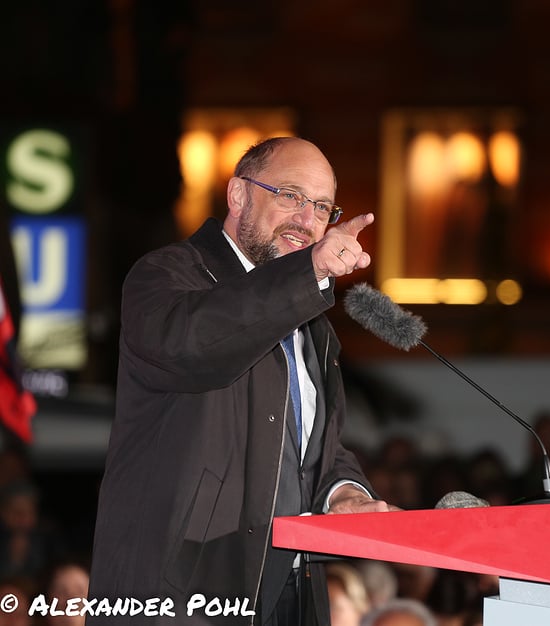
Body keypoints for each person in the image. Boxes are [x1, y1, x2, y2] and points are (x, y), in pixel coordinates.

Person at [87, 137, 397, 626]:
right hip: (184, 594)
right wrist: (308, 271)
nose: (307, 219)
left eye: (320, 206)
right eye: (290, 195)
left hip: (290, 592)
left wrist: (345, 493)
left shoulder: (313, 325)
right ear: (238, 195)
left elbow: (318, 449)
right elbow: (194, 346)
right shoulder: (167, 276)